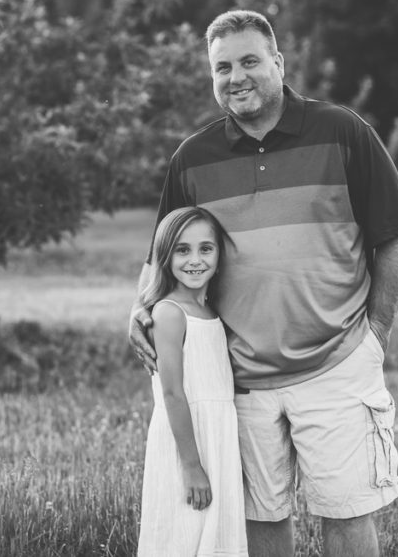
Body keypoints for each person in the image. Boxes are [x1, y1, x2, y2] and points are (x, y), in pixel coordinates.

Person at [128, 9, 398, 557]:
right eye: (221, 68)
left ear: (278, 63)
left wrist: (376, 332)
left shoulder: (343, 131)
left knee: (348, 513)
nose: (235, 77)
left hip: (338, 367)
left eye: (249, 61)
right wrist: (138, 308)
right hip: (243, 379)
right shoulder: (193, 158)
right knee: (260, 518)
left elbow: (394, 235)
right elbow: (162, 252)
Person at [136, 206, 248, 557]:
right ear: (165, 257)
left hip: (217, 438)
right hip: (186, 443)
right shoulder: (170, 312)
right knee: (181, 536)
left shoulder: (213, 310)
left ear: (219, 254)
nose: (195, 260)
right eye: (182, 250)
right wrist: (191, 464)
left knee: (214, 536)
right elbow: (172, 393)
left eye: (205, 248)